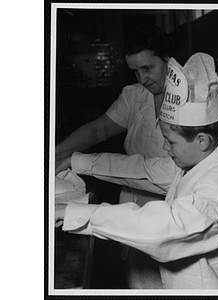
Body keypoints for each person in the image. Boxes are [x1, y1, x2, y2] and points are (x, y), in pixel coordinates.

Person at [56, 53, 218, 289]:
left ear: (201, 140)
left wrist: (70, 212)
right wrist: (78, 161)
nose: (165, 148)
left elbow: (162, 225)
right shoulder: (200, 160)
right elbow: (144, 168)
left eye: (171, 142)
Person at [55, 24, 178, 288]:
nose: (142, 79)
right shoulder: (135, 96)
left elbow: (164, 173)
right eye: (134, 71)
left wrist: (78, 160)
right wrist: (57, 153)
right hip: (132, 207)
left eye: (148, 68)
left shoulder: (189, 100)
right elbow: (99, 128)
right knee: (141, 282)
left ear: (168, 58)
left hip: (172, 212)